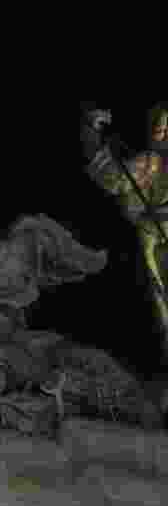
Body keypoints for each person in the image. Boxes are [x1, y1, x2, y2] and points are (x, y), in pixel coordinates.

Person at [82, 104, 168, 361]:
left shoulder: (152, 163)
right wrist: (92, 137)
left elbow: (109, 176)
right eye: (160, 129)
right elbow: (111, 177)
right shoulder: (149, 164)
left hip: (156, 230)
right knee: (160, 294)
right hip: (153, 234)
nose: (161, 134)